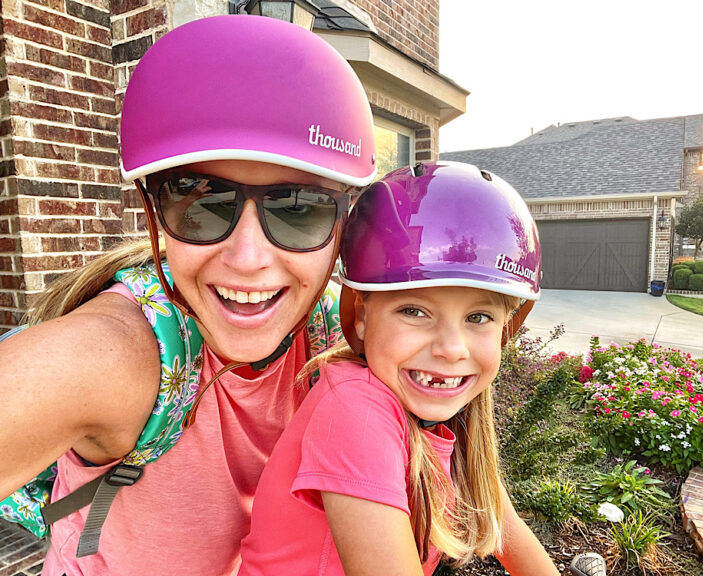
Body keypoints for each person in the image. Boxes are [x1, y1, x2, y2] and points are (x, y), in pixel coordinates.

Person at [0, 14, 376, 576]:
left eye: (299, 209)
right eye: (200, 201)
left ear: (344, 225)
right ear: (154, 210)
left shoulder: (337, 334)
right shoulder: (122, 354)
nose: (247, 258)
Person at [238, 161, 559, 576]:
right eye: (414, 311)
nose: (451, 349)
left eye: (478, 317)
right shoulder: (356, 410)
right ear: (361, 317)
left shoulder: (441, 414)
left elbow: (503, 524)